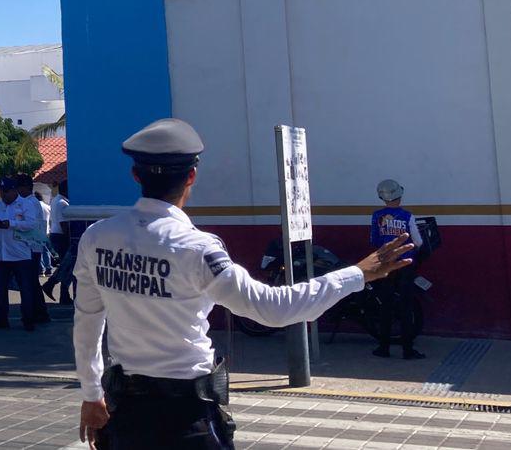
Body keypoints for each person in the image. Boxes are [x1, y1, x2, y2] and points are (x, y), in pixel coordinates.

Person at [72, 118, 417, 450]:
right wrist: (356, 273)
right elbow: (273, 309)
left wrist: (91, 395)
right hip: (186, 417)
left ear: (135, 175)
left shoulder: (97, 237)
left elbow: (87, 322)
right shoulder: (197, 249)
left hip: (126, 413)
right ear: (192, 176)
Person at [371, 179, 426, 360]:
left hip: (386, 265)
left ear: (382, 197)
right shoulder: (408, 216)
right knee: (405, 306)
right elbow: (418, 242)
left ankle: (383, 347)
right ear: (399, 196)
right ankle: (407, 349)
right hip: (405, 265)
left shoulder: (376, 216)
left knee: (385, 306)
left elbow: (374, 240)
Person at [0, 177, 47, 331]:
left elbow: (31, 224)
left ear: (14, 190)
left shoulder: (26, 204)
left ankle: (28, 319)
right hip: (1, 255)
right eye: (1, 191)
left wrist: (11, 223)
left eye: (6, 191)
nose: (3, 195)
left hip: (21, 254)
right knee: (1, 289)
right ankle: (2, 319)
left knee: (26, 288)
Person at [42, 181, 75, 306]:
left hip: (56, 235)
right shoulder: (62, 203)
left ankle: (62, 293)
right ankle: (52, 284)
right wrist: (70, 238)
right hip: (62, 236)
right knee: (67, 266)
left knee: (66, 266)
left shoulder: (57, 200)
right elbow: (64, 224)